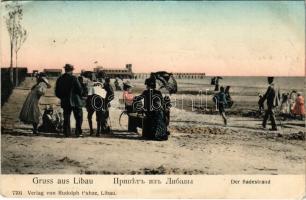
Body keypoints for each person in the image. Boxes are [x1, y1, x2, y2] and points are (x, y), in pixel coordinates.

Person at [55, 64, 84, 137]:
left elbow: (57, 92)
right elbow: (80, 90)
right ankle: (78, 132)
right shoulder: (74, 78)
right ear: (71, 70)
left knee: (66, 117)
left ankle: (67, 133)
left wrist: (62, 97)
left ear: (65, 70)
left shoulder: (60, 78)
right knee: (78, 117)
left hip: (65, 101)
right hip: (75, 101)